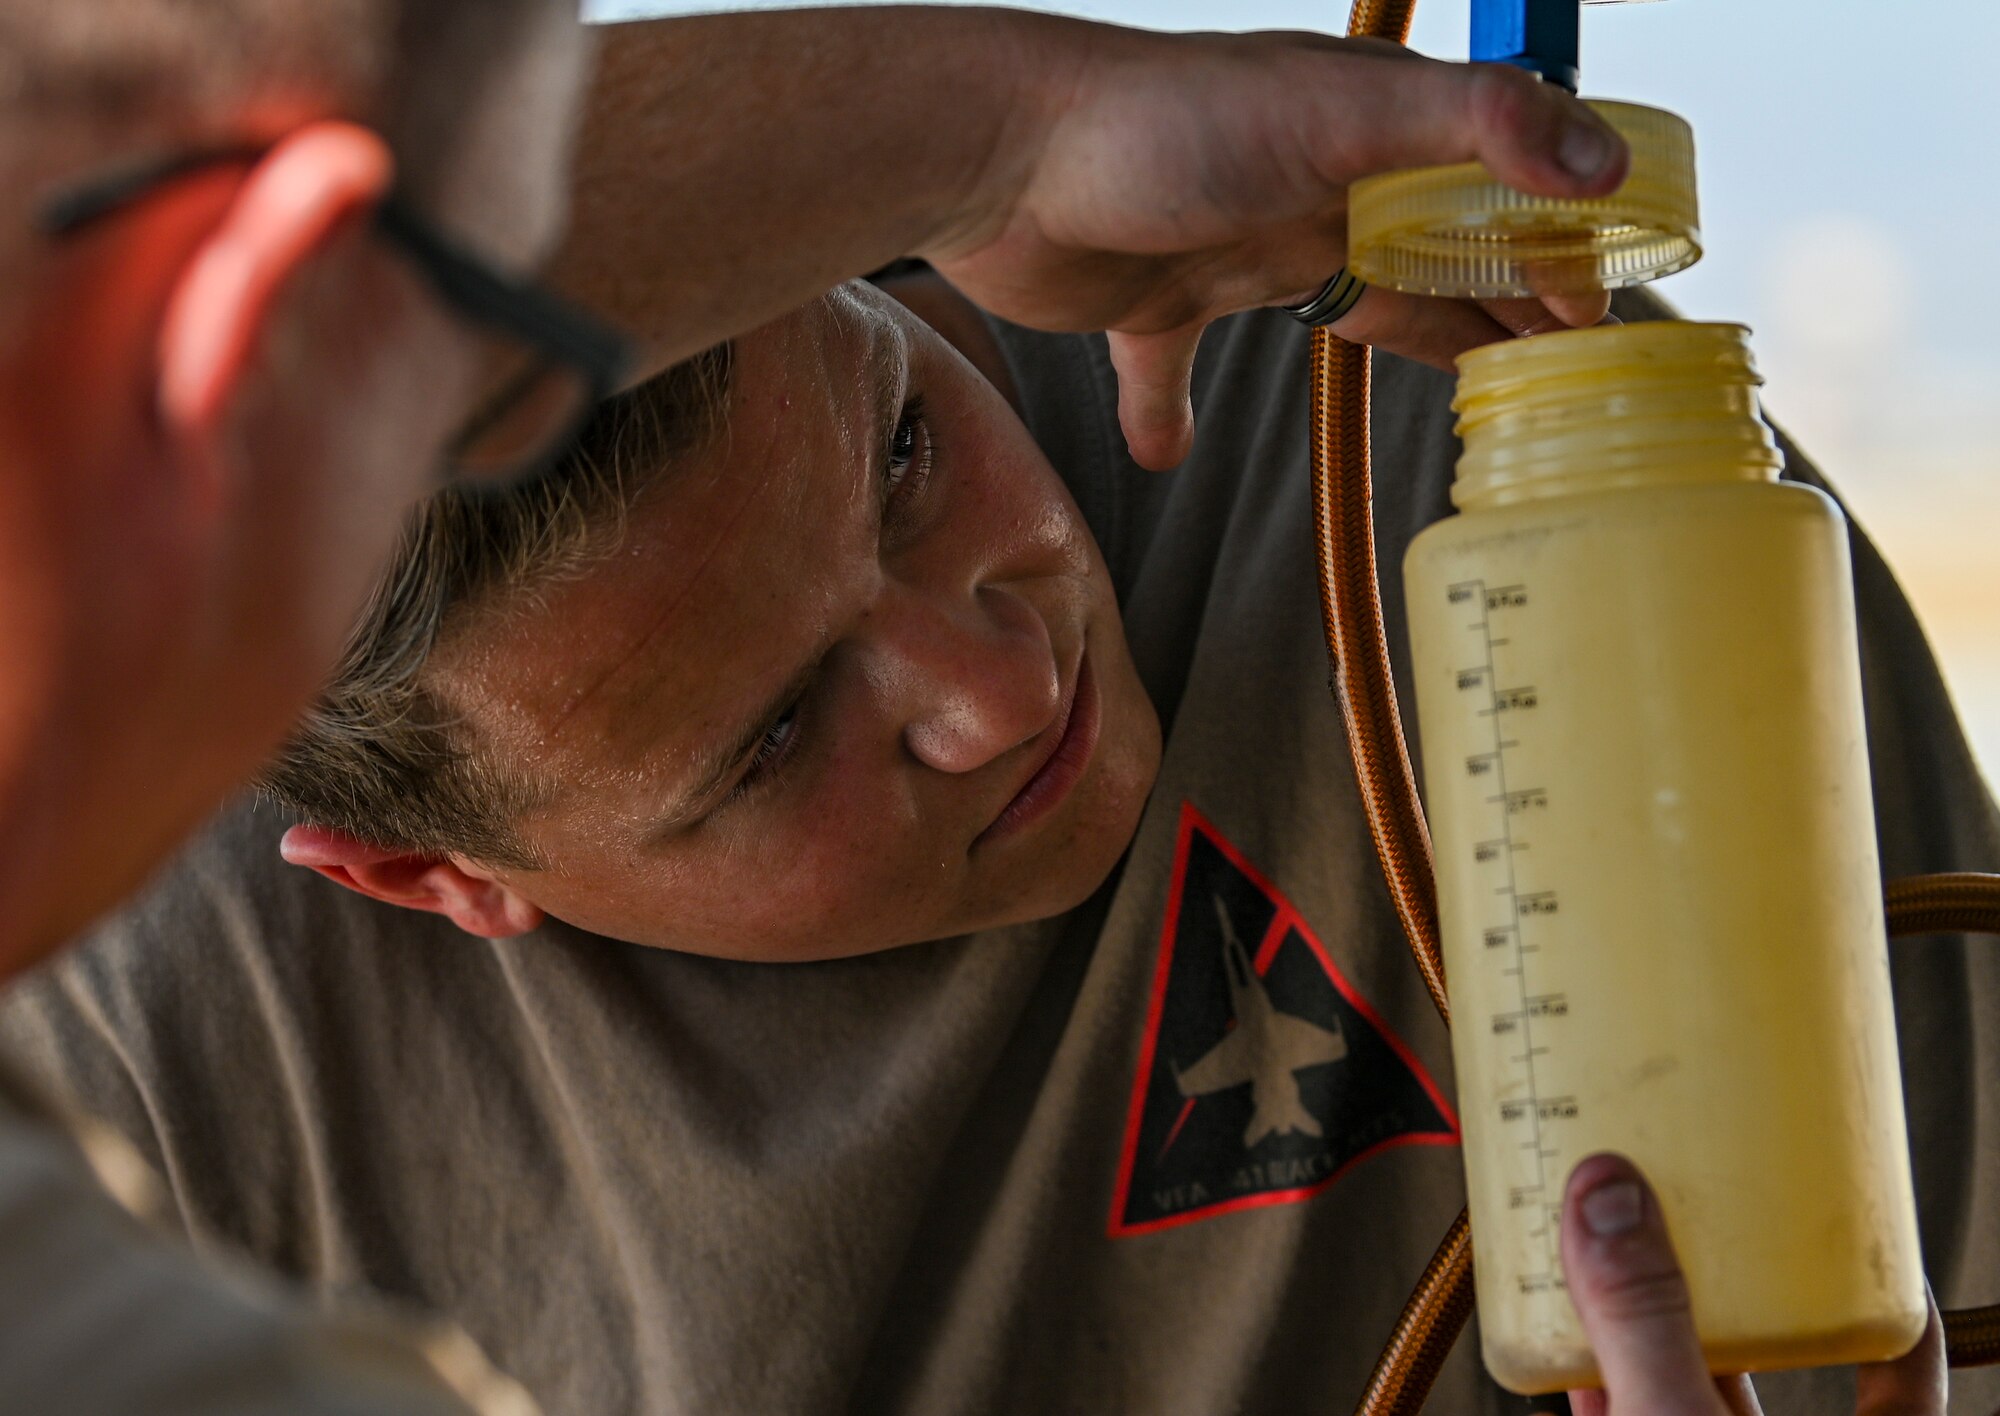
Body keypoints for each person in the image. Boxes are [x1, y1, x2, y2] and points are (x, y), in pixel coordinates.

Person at [10, 255, 1988, 1415]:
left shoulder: (1451, 439)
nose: (996, 682)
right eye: (776, 736)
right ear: (434, 884)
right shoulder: (139, 1033)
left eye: (902, 451)